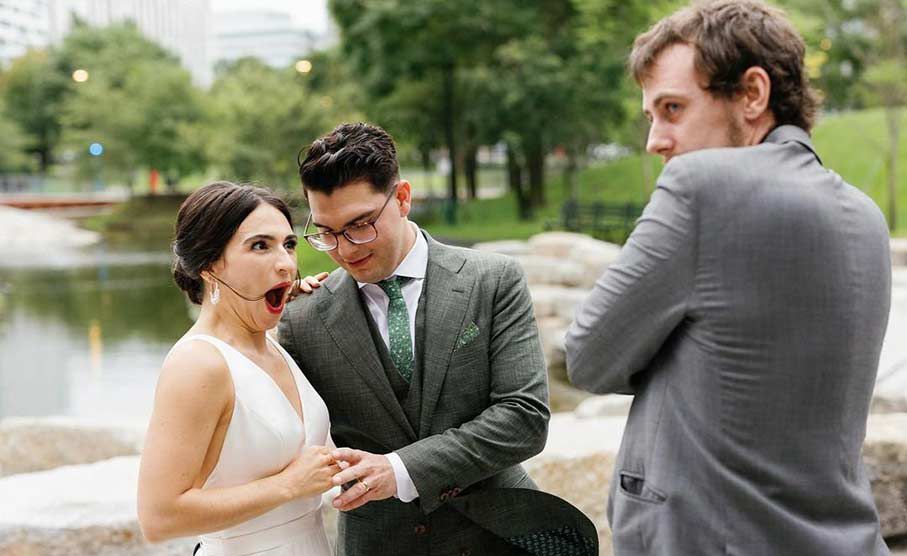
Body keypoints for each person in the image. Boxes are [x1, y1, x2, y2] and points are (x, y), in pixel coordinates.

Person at [565, 1, 892, 555]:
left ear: (752, 94)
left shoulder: (699, 187)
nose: (655, 139)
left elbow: (589, 356)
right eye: (651, 116)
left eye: (673, 109)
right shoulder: (865, 216)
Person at [279, 122, 551, 555]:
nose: (346, 249)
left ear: (403, 198)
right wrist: (265, 308)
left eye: (360, 224)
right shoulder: (302, 318)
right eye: (327, 233)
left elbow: (525, 418)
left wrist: (400, 470)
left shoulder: (494, 280)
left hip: (498, 537)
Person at [137, 182, 339, 556]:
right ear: (210, 264)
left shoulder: (273, 344)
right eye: (260, 246)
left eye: (288, 244)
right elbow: (158, 517)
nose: (286, 263)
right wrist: (288, 485)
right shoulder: (198, 365)